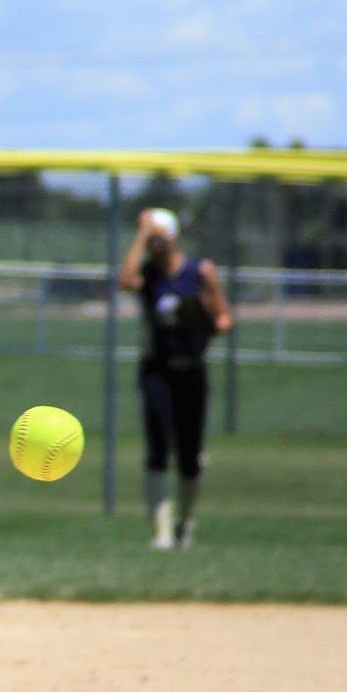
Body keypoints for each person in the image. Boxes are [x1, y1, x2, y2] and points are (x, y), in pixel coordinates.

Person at [117, 207, 234, 550]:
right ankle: (162, 534)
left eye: (159, 238)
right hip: (157, 370)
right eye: (151, 241)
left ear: (173, 237)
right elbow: (125, 281)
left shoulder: (199, 271)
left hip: (192, 370)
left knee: (189, 455)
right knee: (157, 449)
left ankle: (185, 522)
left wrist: (207, 324)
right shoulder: (149, 275)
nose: (154, 246)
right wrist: (141, 233)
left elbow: (224, 318)